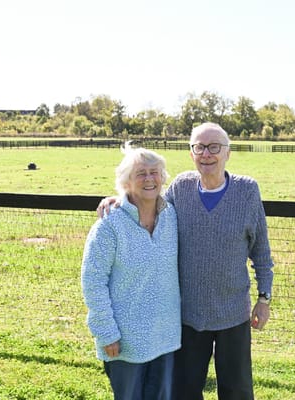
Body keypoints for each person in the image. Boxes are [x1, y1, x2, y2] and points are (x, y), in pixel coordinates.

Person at [98, 122, 274, 400]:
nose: (207, 154)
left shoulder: (247, 191)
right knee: (185, 391)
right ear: (191, 153)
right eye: (199, 147)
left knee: (237, 391)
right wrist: (120, 199)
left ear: (228, 153)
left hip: (233, 314)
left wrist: (264, 300)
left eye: (214, 147)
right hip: (188, 316)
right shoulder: (181, 188)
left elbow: (261, 252)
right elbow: (150, 202)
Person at [82, 144, 181, 400]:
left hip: (165, 337)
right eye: (140, 173)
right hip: (125, 341)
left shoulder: (172, 217)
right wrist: (106, 332)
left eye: (154, 172)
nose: (149, 179)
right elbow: (93, 281)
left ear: (162, 177)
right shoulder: (109, 225)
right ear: (126, 182)